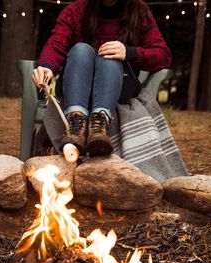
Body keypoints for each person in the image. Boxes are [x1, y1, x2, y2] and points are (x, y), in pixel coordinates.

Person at [32, 0, 172, 157]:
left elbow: (163, 55)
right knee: (81, 50)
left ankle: (99, 126)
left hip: (119, 87)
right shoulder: (76, 10)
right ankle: (76, 124)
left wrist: (129, 52)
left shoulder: (139, 12)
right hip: (77, 87)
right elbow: (56, 44)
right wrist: (46, 66)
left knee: (109, 55)